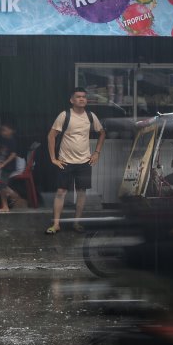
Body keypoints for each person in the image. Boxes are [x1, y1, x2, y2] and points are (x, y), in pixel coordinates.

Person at [46, 87, 106, 234]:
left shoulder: (91, 116)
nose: (82, 99)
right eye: (78, 97)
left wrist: (97, 152)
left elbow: (102, 133)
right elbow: (51, 136)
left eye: (84, 97)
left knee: (81, 193)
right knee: (60, 192)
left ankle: (76, 223)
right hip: (65, 161)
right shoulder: (64, 115)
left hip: (84, 162)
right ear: (71, 100)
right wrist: (53, 158)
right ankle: (56, 225)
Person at [0, 122, 27, 212]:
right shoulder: (5, 141)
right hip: (5, 166)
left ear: (12, 131)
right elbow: (5, 155)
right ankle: (5, 206)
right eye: (2, 130)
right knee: (0, 185)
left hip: (9, 167)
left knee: (1, 185)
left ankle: (15, 196)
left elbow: (13, 155)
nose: (2, 132)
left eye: (5, 130)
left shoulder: (12, 141)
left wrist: (4, 164)